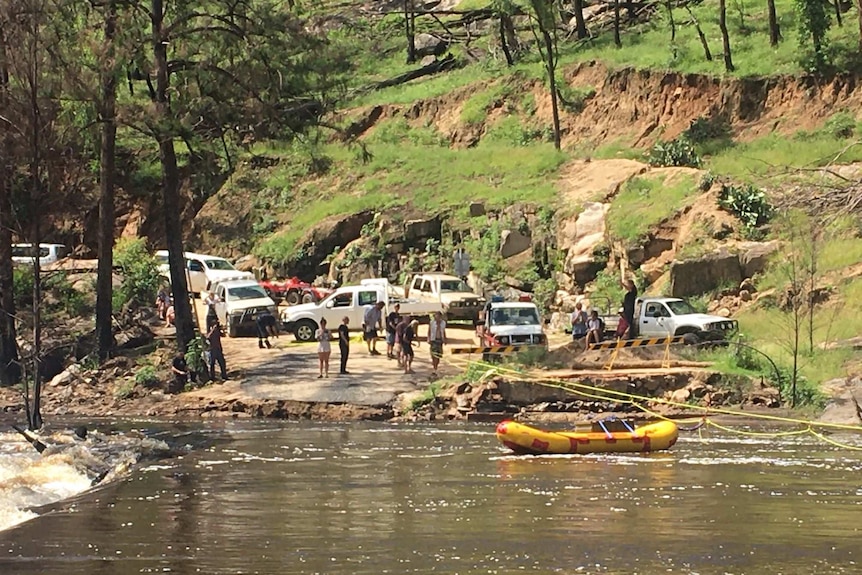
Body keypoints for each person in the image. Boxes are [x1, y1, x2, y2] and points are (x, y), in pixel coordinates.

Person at [427, 311, 447, 375]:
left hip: (440, 340)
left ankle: (436, 366)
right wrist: (428, 338)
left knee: (438, 355)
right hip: (433, 340)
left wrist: (445, 339)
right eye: (435, 316)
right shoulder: (432, 322)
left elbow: (443, 331)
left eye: (438, 316)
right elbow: (429, 331)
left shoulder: (443, 323)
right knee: (433, 355)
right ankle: (434, 368)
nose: (436, 317)